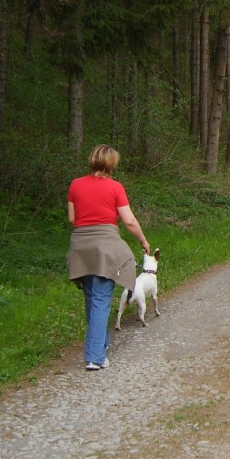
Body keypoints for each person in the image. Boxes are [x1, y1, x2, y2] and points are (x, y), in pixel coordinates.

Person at [67, 144, 151, 371]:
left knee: (91, 297)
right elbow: (130, 221)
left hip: (80, 246)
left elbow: (72, 218)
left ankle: (101, 344)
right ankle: (94, 357)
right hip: (105, 245)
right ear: (112, 164)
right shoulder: (115, 187)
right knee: (102, 299)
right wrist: (143, 241)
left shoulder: (75, 184)